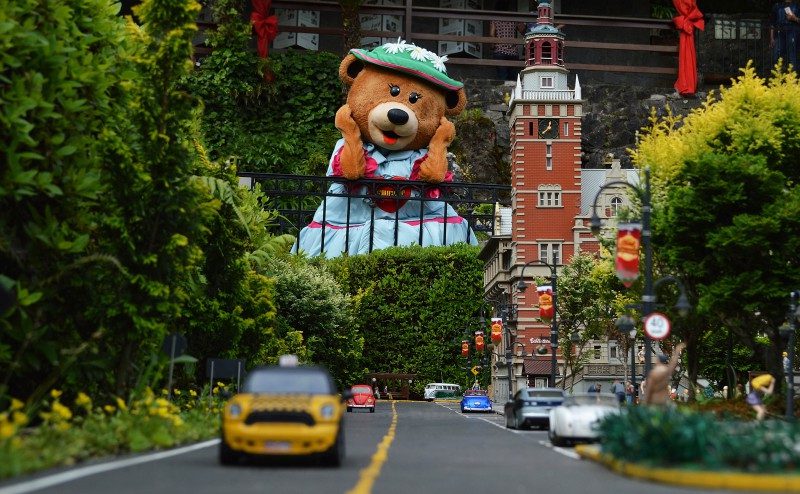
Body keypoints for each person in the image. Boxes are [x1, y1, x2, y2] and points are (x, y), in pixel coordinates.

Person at [490, 0, 524, 80]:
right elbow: (522, 30)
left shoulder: (495, 19)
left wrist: (492, 47)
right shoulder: (513, 18)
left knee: (502, 77)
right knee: (513, 78)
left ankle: (504, 87)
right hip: (513, 52)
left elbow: (492, 34)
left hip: (500, 51)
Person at [770, 1, 800, 73]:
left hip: (793, 32)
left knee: (792, 56)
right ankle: (778, 76)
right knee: (776, 55)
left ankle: (793, 77)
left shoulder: (797, 6)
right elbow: (772, 23)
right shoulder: (777, 6)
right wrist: (771, 38)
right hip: (779, 33)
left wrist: (794, 18)